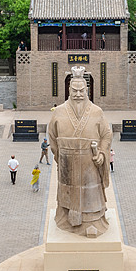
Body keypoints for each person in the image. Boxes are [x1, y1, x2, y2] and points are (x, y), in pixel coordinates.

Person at [48, 66, 112, 237]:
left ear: (87, 91)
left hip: (89, 163)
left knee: (90, 193)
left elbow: (106, 135)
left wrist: (101, 153)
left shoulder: (97, 112)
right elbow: (52, 137)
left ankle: (92, 221)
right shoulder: (59, 112)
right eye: (74, 90)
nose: (78, 94)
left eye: (81, 90)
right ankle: (66, 219)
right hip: (67, 163)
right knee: (67, 194)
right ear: (69, 90)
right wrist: (60, 156)